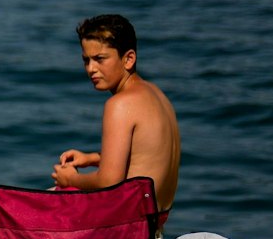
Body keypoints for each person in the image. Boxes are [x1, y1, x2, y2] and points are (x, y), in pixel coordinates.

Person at [53, 14, 180, 211]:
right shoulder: (156, 94)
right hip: (155, 218)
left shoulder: (120, 104)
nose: (91, 69)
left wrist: (71, 178)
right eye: (86, 60)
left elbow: (108, 182)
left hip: (128, 226)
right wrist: (92, 158)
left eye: (99, 59)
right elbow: (145, 155)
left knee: (44, 203)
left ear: (128, 59)